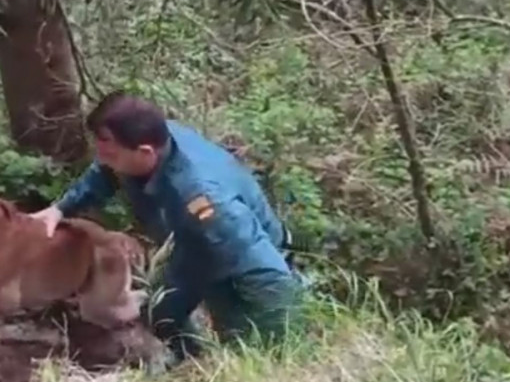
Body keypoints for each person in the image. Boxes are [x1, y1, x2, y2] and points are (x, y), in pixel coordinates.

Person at [31, 91, 305, 364]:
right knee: (163, 315)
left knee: (253, 347)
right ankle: (191, 363)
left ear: (145, 153)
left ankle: (231, 370)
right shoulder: (147, 140)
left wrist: (287, 351)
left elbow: (249, 268)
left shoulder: (202, 198)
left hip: (242, 263)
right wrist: (60, 209)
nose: (103, 160)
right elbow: (102, 174)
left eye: (110, 154)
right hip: (196, 246)